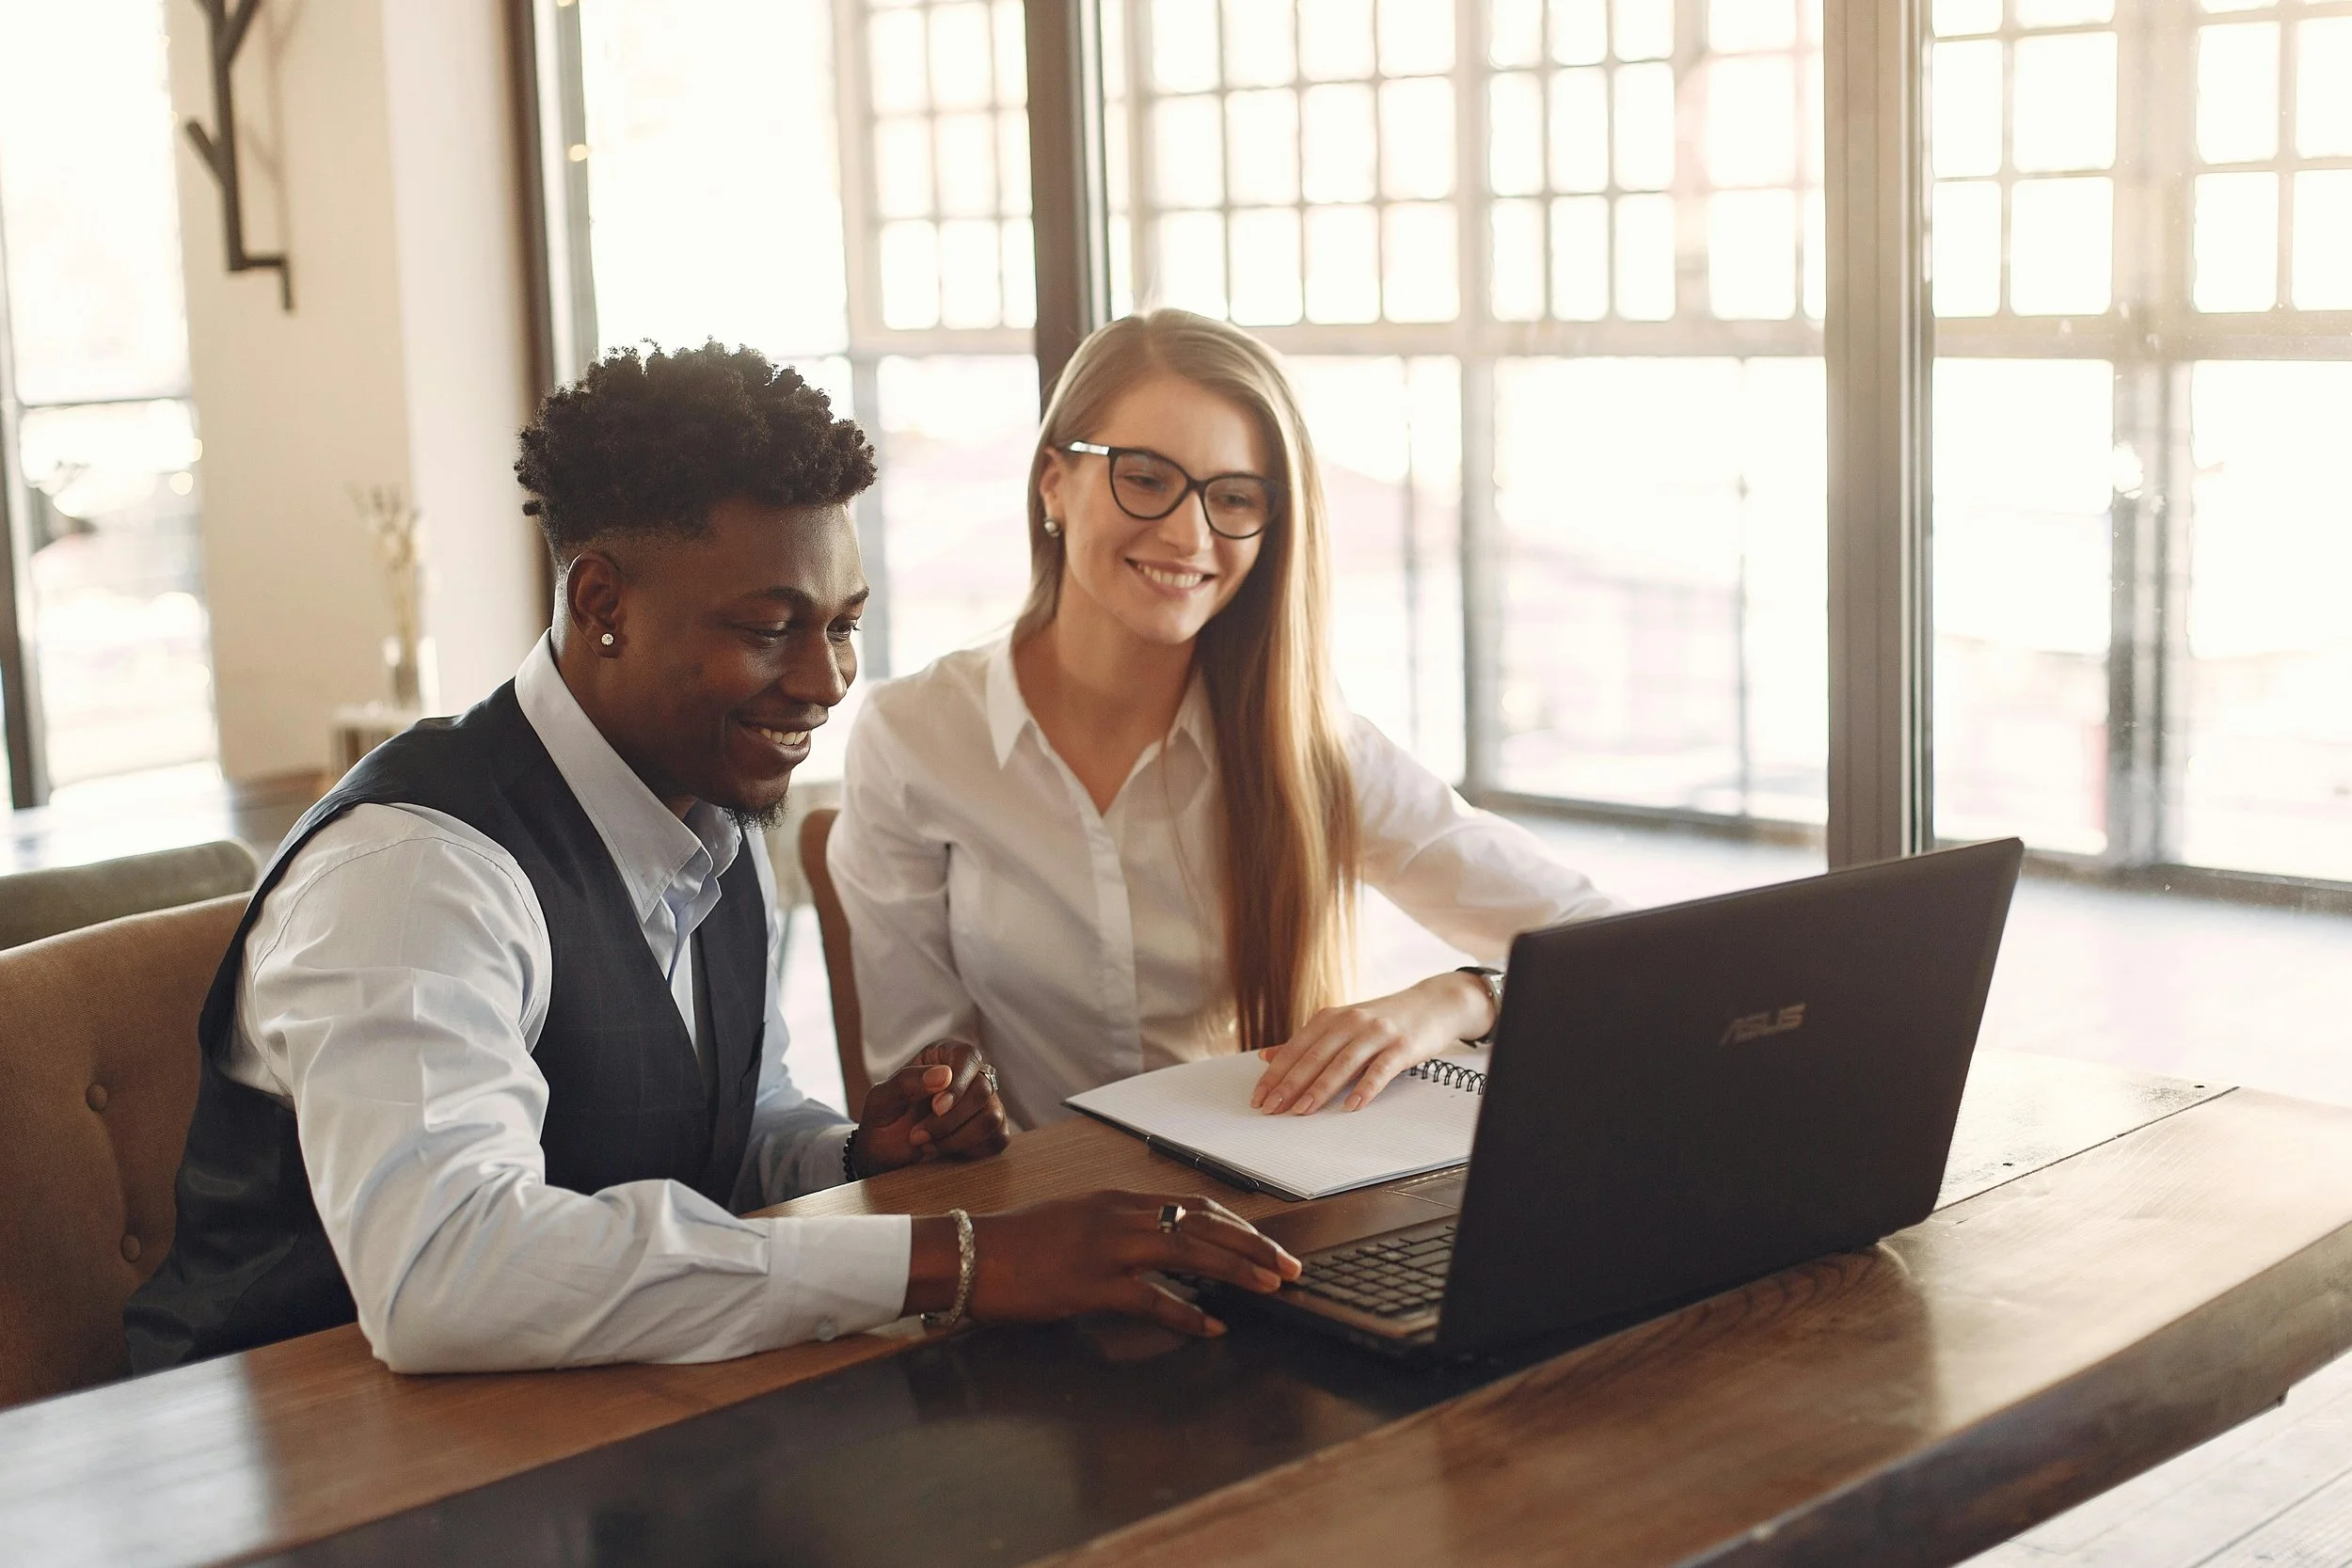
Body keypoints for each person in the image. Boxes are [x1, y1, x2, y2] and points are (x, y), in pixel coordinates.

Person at [125, 342, 1296, 1374]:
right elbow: (446, 1270)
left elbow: (716, 1129)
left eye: (840, 623)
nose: (828, 680)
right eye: (768, 626)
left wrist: (844, 1152)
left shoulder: (703, 806)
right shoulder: (415, 874)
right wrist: (958, 1255)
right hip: (289, 1468)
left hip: (572, 1422)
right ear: (603, 604)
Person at [830, 311, 1612, 1133]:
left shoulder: (1310, 747)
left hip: (1271, 1220)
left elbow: (1612, 945)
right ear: (1054, 482)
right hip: (1036, 1231)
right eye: (1146, 477)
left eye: (1233, 496)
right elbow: (917, 1095)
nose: (1188, 533)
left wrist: (1460, 995)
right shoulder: (912, 737)